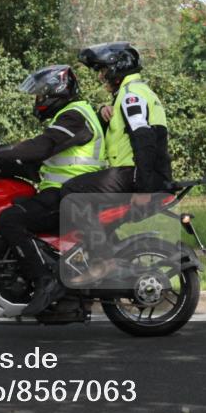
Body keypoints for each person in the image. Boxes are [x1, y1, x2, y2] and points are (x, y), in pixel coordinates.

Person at [0, 64, 106, 316]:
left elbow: (40, 147)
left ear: (55, 91)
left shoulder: (74, 115)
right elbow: (39, 157)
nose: (37, 100)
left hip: (70, 195)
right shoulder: (70, 116)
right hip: (66, 192)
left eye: (40, 94)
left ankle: (45, 281)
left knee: (10, 219)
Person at [59, 42, 173, 282]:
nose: (101, 76)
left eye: (103, 70)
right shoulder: (133, 94)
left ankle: (102, 262)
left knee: (71, 193)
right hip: (133, 173)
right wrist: (103, 114)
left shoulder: (131, 96)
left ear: (116, 68)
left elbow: (144, 139)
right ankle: (97, 252)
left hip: (131, 174)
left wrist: (143, 188)